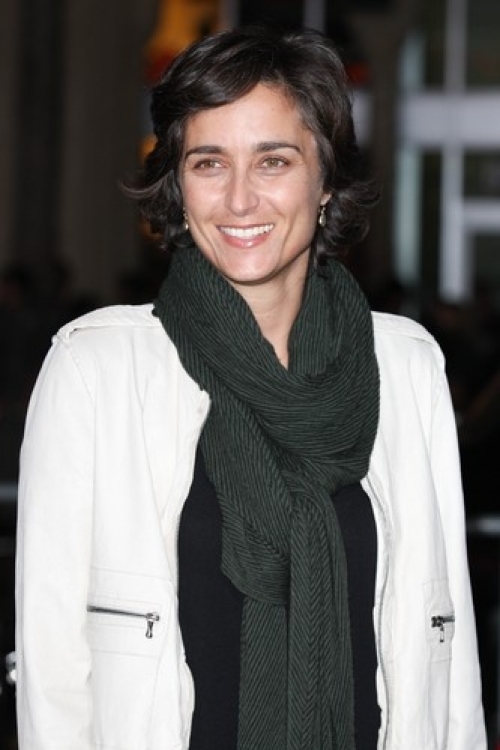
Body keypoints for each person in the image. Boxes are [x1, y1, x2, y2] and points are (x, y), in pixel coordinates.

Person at [15, 26, 486, 750]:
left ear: (325, 182)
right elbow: (52, 670)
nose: (239, 198)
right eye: (209, 162)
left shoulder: (405, 367)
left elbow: (447, 653)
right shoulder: (96, 369)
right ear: (178, 186)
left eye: (273, 160)